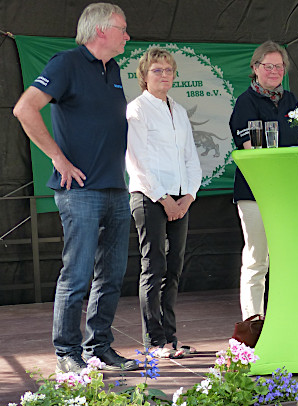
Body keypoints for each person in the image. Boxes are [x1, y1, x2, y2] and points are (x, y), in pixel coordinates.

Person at [12, 3, 138, 373]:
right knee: (78, 273)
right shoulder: (66, 63)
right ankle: (67, 352)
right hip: (80, 190)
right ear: (101, 30)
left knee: (112, 274)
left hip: (116, 188)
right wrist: (57, 158)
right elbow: (24, 108)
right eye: (122, 28)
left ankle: (99, 346)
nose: (127, 36)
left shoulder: (112, 69)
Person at [126, 47, 202, 359]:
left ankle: (171, 339)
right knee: (154, 267)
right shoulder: (137, 110)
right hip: (148, 198)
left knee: (174, 269)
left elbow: (191, 157)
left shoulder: (179, 111)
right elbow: (138, 160)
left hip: (180, 199)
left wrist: (188, 196)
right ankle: (154, 342)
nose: (164, 75)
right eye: (157, 70)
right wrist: (165, 200)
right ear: (143, 77)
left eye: (168, 70)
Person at [229, 41, 298, 326]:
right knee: (257, 259)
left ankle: (284, 320)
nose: (274, 71)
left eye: (279, 66)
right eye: (268, 66)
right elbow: (252, 150)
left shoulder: (292, 100)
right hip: (254, 194)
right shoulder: (245, 102)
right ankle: (253, 323)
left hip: (287, 193)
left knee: (286, 258)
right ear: (255, 68)